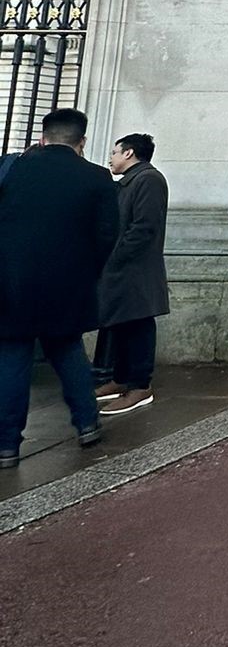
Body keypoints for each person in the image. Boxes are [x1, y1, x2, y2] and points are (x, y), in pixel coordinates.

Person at [0, 107, 120, 469]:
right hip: (68, 283)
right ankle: (86, 423)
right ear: (81, 141)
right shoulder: (98, 178)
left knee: (12, 360)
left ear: (42, 136)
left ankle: (6, 445)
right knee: (69, 354)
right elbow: (106, 237)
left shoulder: (9, 168)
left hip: (11, 281)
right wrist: (87, 272)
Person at [93, 133, 170, 416]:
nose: (111, 158)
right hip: (124, 267)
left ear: (129, 153)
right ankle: (121, 378)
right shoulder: (131, 181)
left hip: (135, 268)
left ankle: (139, 386)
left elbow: (143, 227)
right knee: (124, 323)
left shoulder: (148, 179)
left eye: (114, 152)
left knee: (138, 324)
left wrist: (115, 257)